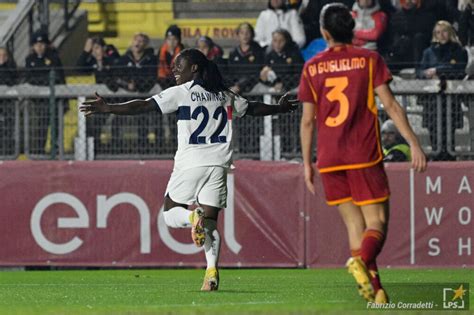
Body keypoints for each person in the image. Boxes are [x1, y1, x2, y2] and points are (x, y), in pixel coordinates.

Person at [80, 48, 298, 291]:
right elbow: (253, 109)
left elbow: (143, 105)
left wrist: (109, 108)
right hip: (218, 164)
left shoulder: (182, 93)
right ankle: (211, 273)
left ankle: (192, 216)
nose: (174, 70)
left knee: (171, 214)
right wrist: (280, 109)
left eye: (178, 65)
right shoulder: (223, 95)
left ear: (194, 68)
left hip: (191, 162)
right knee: (211, 223)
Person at [299, 3, 426, 304]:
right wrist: (414, 143)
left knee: (355, 226)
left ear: (324, 32)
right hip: (362, 154)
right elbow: (392, 106)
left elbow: (307, 120)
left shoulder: (312, 67)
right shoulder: (369, 60)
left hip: (328, 158)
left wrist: (306, 162)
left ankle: (377, 292)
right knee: (377, 224)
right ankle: (360, 263)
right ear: (352, 30)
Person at [416, 21, 467, 161]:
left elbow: (459, 69)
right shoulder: (428, 52)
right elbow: (420, 71)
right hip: (432, 100)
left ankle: (448, 159)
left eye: (444, 31)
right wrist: (426, 74)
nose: (441, 35)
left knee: (449, 132)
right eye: (438, 32)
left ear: (450, 32)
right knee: (433, 131)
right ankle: (436, 158)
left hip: (450, 100)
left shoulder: (459, 50)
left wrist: (438, 70)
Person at [24, 32, 66, 155]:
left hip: (54, 99)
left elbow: (59, 77)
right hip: (39, 100)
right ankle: (39, 149)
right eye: (37, 44)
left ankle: (56, 148)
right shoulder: (29, 59)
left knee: (55, 124)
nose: (39, 47)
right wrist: (44, 81)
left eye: (42, 44)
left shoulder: (53, 58)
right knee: (40, 125)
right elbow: (30, 77)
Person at [228, 22, 265, 94]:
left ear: (252, 35)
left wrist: (240, 85)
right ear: (238, 35)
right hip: (236, 86)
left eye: (248, 32)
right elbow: (231, 72)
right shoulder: (233, 52)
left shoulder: (258, 50)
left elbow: (257, 72)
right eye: (242, 33)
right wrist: (234, 85)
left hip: (254, 86)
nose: (245, 35)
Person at [0, 47, 17, 156]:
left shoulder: (10, 68)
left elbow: (12, 81)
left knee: (8, 129)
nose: (1, 58)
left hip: (7, 103)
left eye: (3, 55)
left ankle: (7, 153)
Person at [157, 25, 184, 89]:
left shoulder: (183, 52)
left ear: (179, 40)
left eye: (174, 39)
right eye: (169, 39)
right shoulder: (161, 51)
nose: (171, 42)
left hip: (178, 81)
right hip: (163, 81)